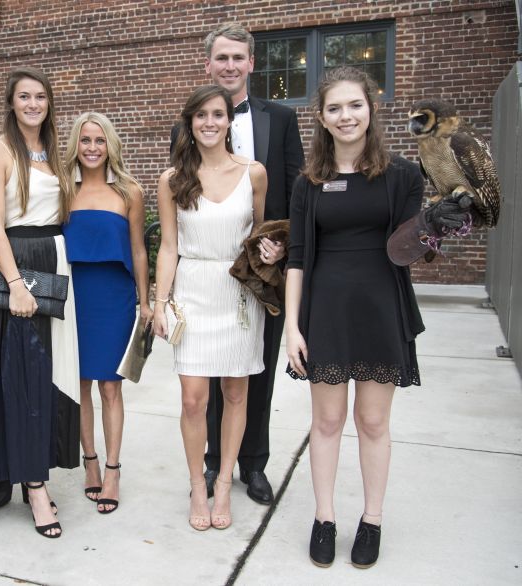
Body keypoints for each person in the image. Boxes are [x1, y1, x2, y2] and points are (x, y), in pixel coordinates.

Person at [284, 66, 425, 569]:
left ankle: (372, 519)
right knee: (326, 420)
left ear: (371, 108)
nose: (346, 116)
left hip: (380, 309)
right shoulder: (309, 183)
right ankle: (324, 518)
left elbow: (412, 250)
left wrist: (435, 233)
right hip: (325, 312)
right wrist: (292, 327)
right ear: (321, 117)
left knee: (372, 420)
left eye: (355, 105)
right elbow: (297, 258)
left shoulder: (405, 176)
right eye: (334, 108)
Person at [153, 85, 272, 531]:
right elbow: (168, 247)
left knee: (236, 393)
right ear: (191, 122)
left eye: (217, 114)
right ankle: (196, 485)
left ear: (229, 122)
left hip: (237, 294)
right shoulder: (173, 179)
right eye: (200, 115)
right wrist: (160, 303)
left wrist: (270, 253)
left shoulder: (254, 173)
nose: (209, 122)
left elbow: (261, 234)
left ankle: (224, 482)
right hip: (192, 290)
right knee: (192, 399)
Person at [197, 23, 305, 505]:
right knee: (213, 370)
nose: (230, 66)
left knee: (255, 371)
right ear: (208, 65)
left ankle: (253, 463)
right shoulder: (192, 121)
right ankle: (214, 460)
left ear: (251, 64)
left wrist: (282, 245)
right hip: (210, 271)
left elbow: (298, 193)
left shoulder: (280, 119)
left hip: (267, 271)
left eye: (238, 58)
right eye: (222, 58)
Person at [0, 67, 80, 538]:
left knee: (53, 374)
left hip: (55, 262)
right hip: (19, 263)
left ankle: (38, 467)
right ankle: (35, 485)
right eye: (25, 96)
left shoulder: (54, 154)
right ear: (12, 103)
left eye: (41, 96)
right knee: (26, 374)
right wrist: (16, 282)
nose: (33, 104)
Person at [62, 112, 152, 514]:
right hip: (73, 296)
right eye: (86, 140)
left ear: (110, 145)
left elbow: (138, 250)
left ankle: (113, 469)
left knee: (110, 386)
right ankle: (91, 463)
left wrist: (145, 301)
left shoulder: (129, 191)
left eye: (100, 140)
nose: (93, 148)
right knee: (79, 384)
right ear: (75, 146)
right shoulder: (63, 190)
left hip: (114, 297)